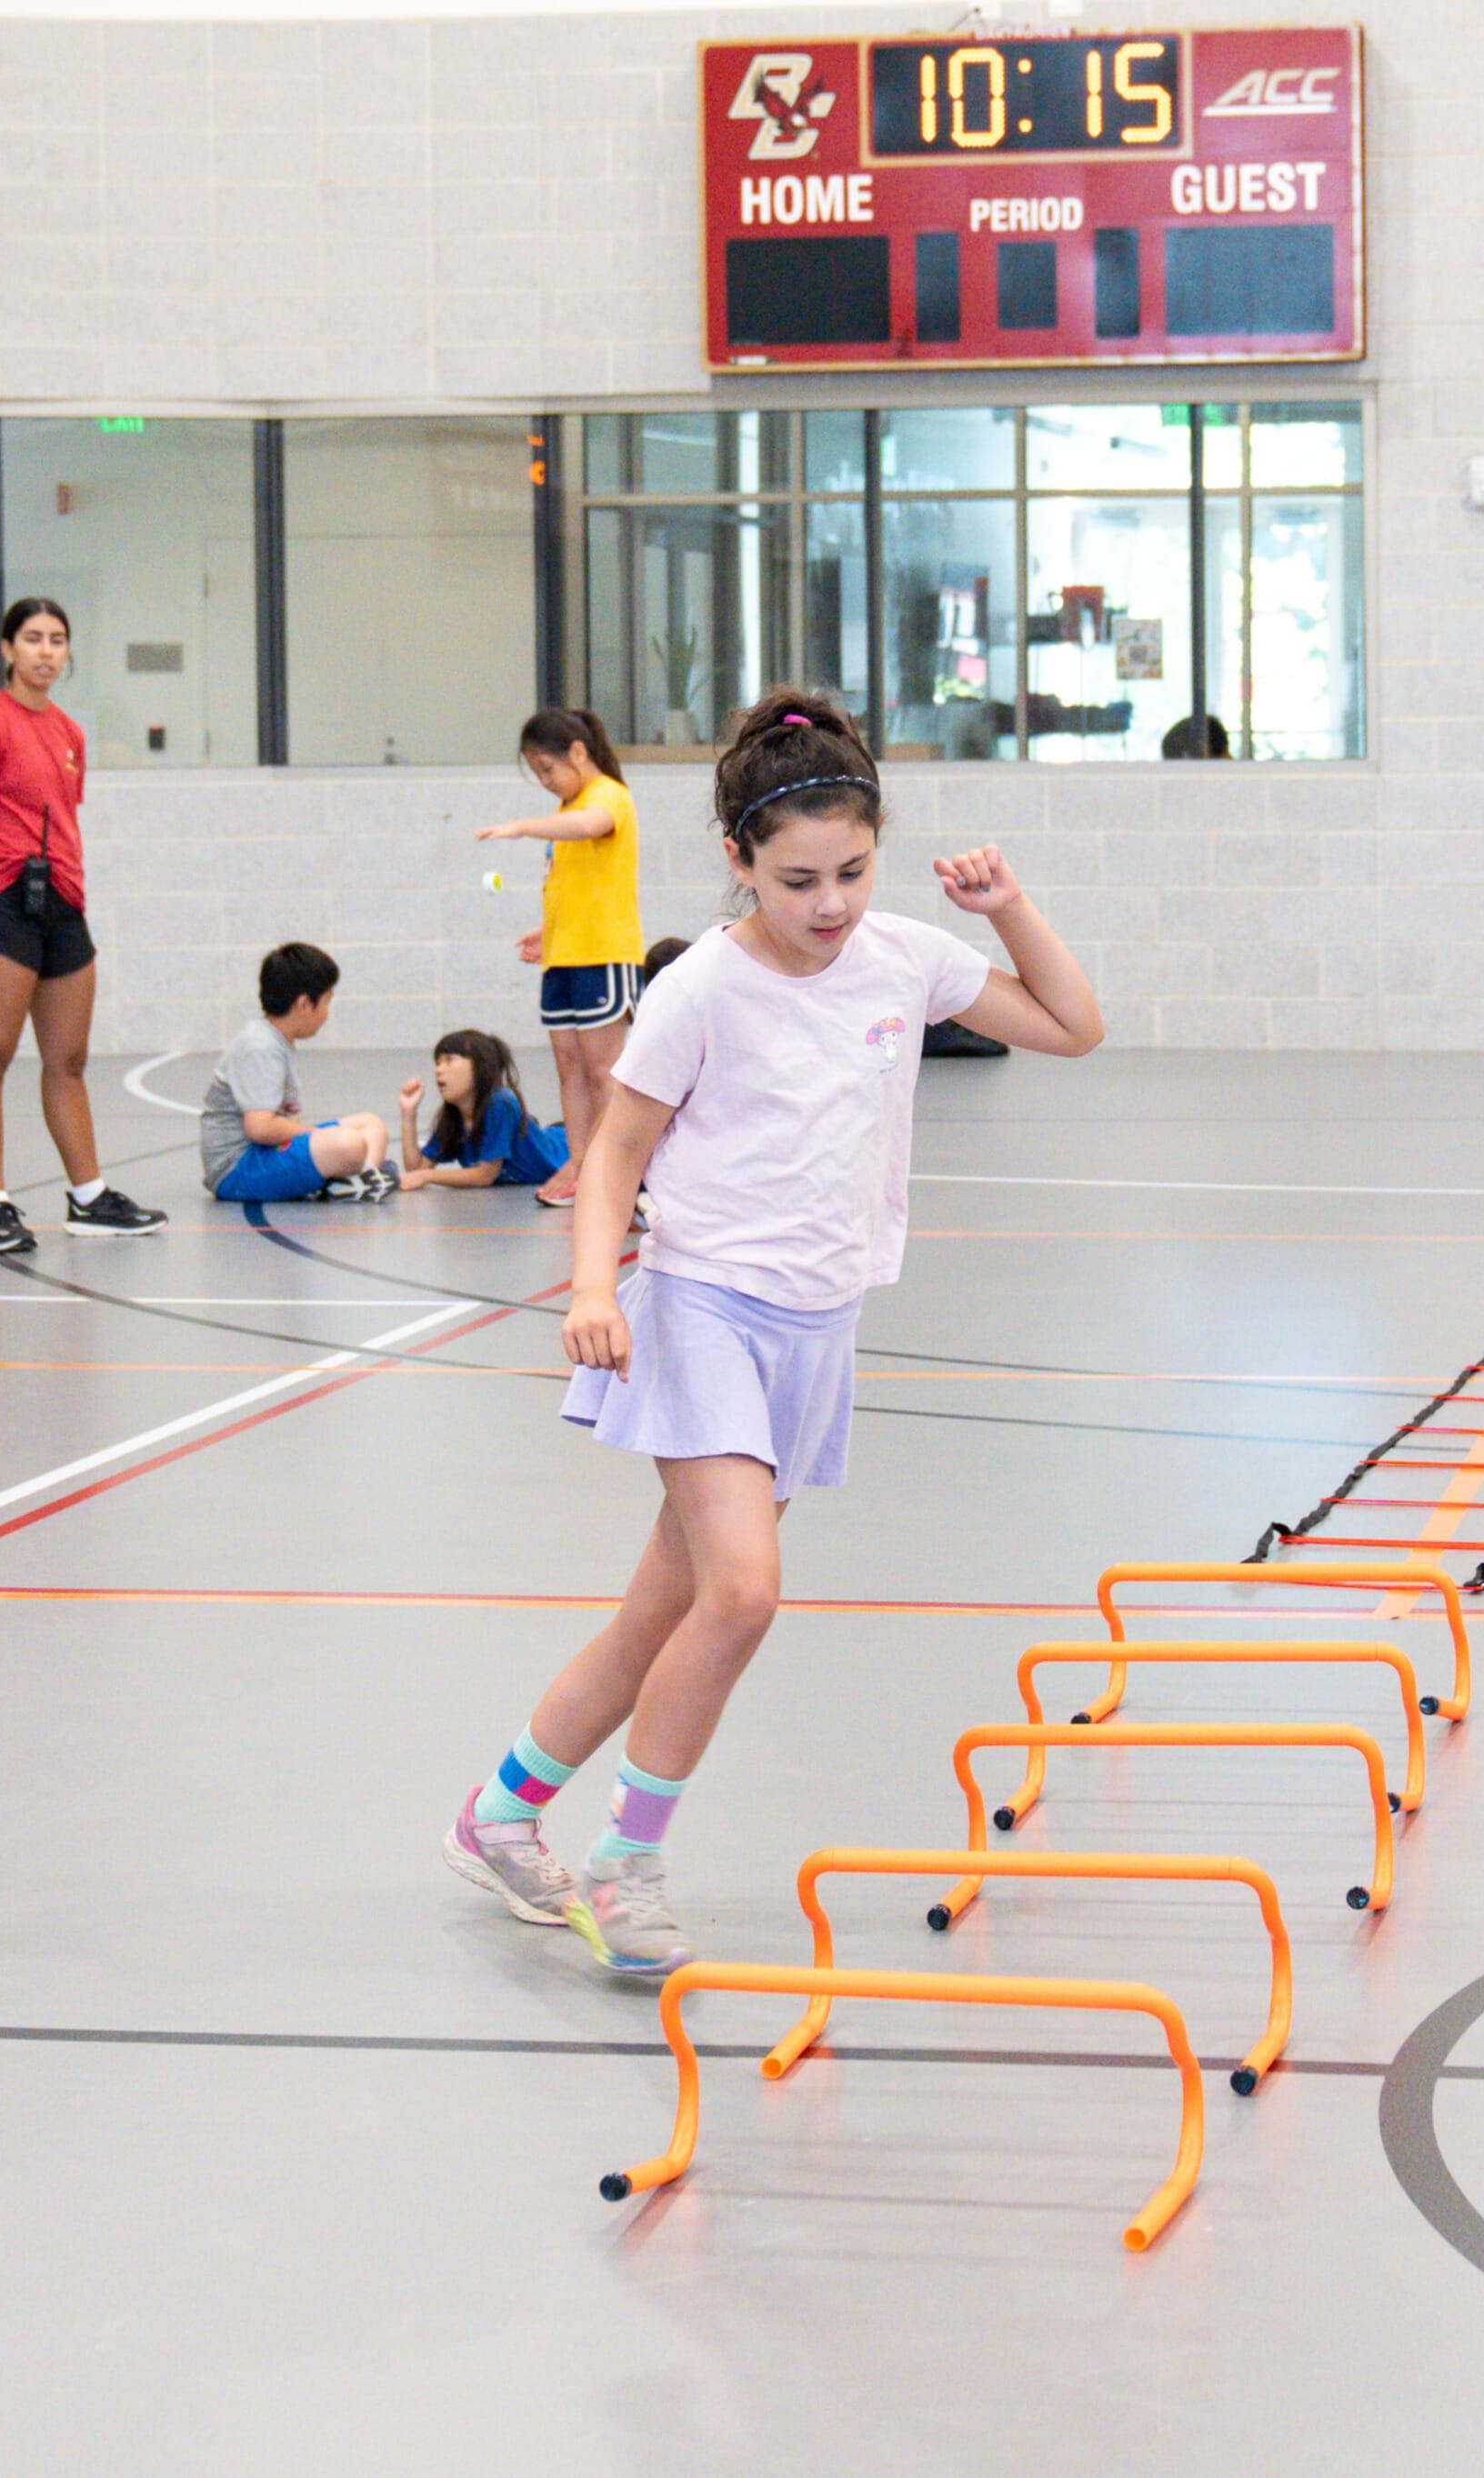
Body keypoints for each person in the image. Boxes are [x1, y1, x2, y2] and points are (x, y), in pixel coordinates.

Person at [439, 688, 1106, 1978]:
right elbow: (618, 1145)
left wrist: (1005, 908)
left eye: (853, 871)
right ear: (738, 860)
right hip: (700, 1309)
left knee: (663, 1613)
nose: (831, 904)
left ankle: (500, 1812)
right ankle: (628, 1865)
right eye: (798, 878)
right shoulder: (701, 986)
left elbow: (1074, 1027)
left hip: (816, 1326)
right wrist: (590, 1287)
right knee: (741, 1595)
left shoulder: (905, 959)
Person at [0, 597, 165, 1251]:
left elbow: (61, 818)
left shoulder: (69, 733)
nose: (45, 651)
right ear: (7, 649)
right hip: (2, 901)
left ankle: (88, 1196)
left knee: (66, 1059)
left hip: (62, 901)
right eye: (32, 638)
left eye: (57, 640)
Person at [475, 708, 642, 1208]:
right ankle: (578, 1159)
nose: (546, 782)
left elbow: (591, 825)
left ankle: (605, 1169)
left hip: (603, 956)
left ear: (578, 752)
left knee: (601, 1069)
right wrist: (548, 934)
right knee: (569, 1067)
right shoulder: (566, 813)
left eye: (548, 769)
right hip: (564, 958)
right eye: (538, 774)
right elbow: (577, 888)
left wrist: (525, 827)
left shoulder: (608, 796)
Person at [201, 942, 395, 1206]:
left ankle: (358, 1179)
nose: (327, 1014)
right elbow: (260, 1127)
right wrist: (317, 1135)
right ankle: (352, 1178)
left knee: (371, 1124)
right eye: (326, 1003)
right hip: (238, 1169)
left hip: (262, 1155)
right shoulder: (261, 1046)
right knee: (348, 1143)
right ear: (304, 1004)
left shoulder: (274, 1039)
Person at [396, 1028, 573, 1191]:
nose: (438, 1070)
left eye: (449, 1060)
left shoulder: (501, 1102)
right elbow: (415, 1171)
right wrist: (408, 1113)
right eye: (437, 1062)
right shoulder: (454, 1116)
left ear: (480, 1067)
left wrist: (427, 1176)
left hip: (567, 1153)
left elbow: (485, 1176)